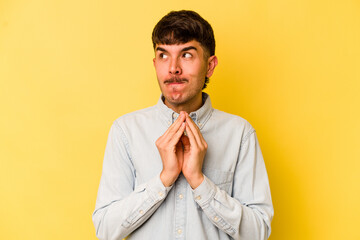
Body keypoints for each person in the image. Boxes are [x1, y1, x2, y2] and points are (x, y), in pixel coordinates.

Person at [92, 10, 274, 240]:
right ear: (155, 63)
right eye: (163, 55)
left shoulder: (240, 134)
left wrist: (199, 182)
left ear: (210, 66)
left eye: (186, 55)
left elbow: (258, 232)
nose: (173, 68)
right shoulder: (125, 131)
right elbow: (105, 230)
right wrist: (164, 178)